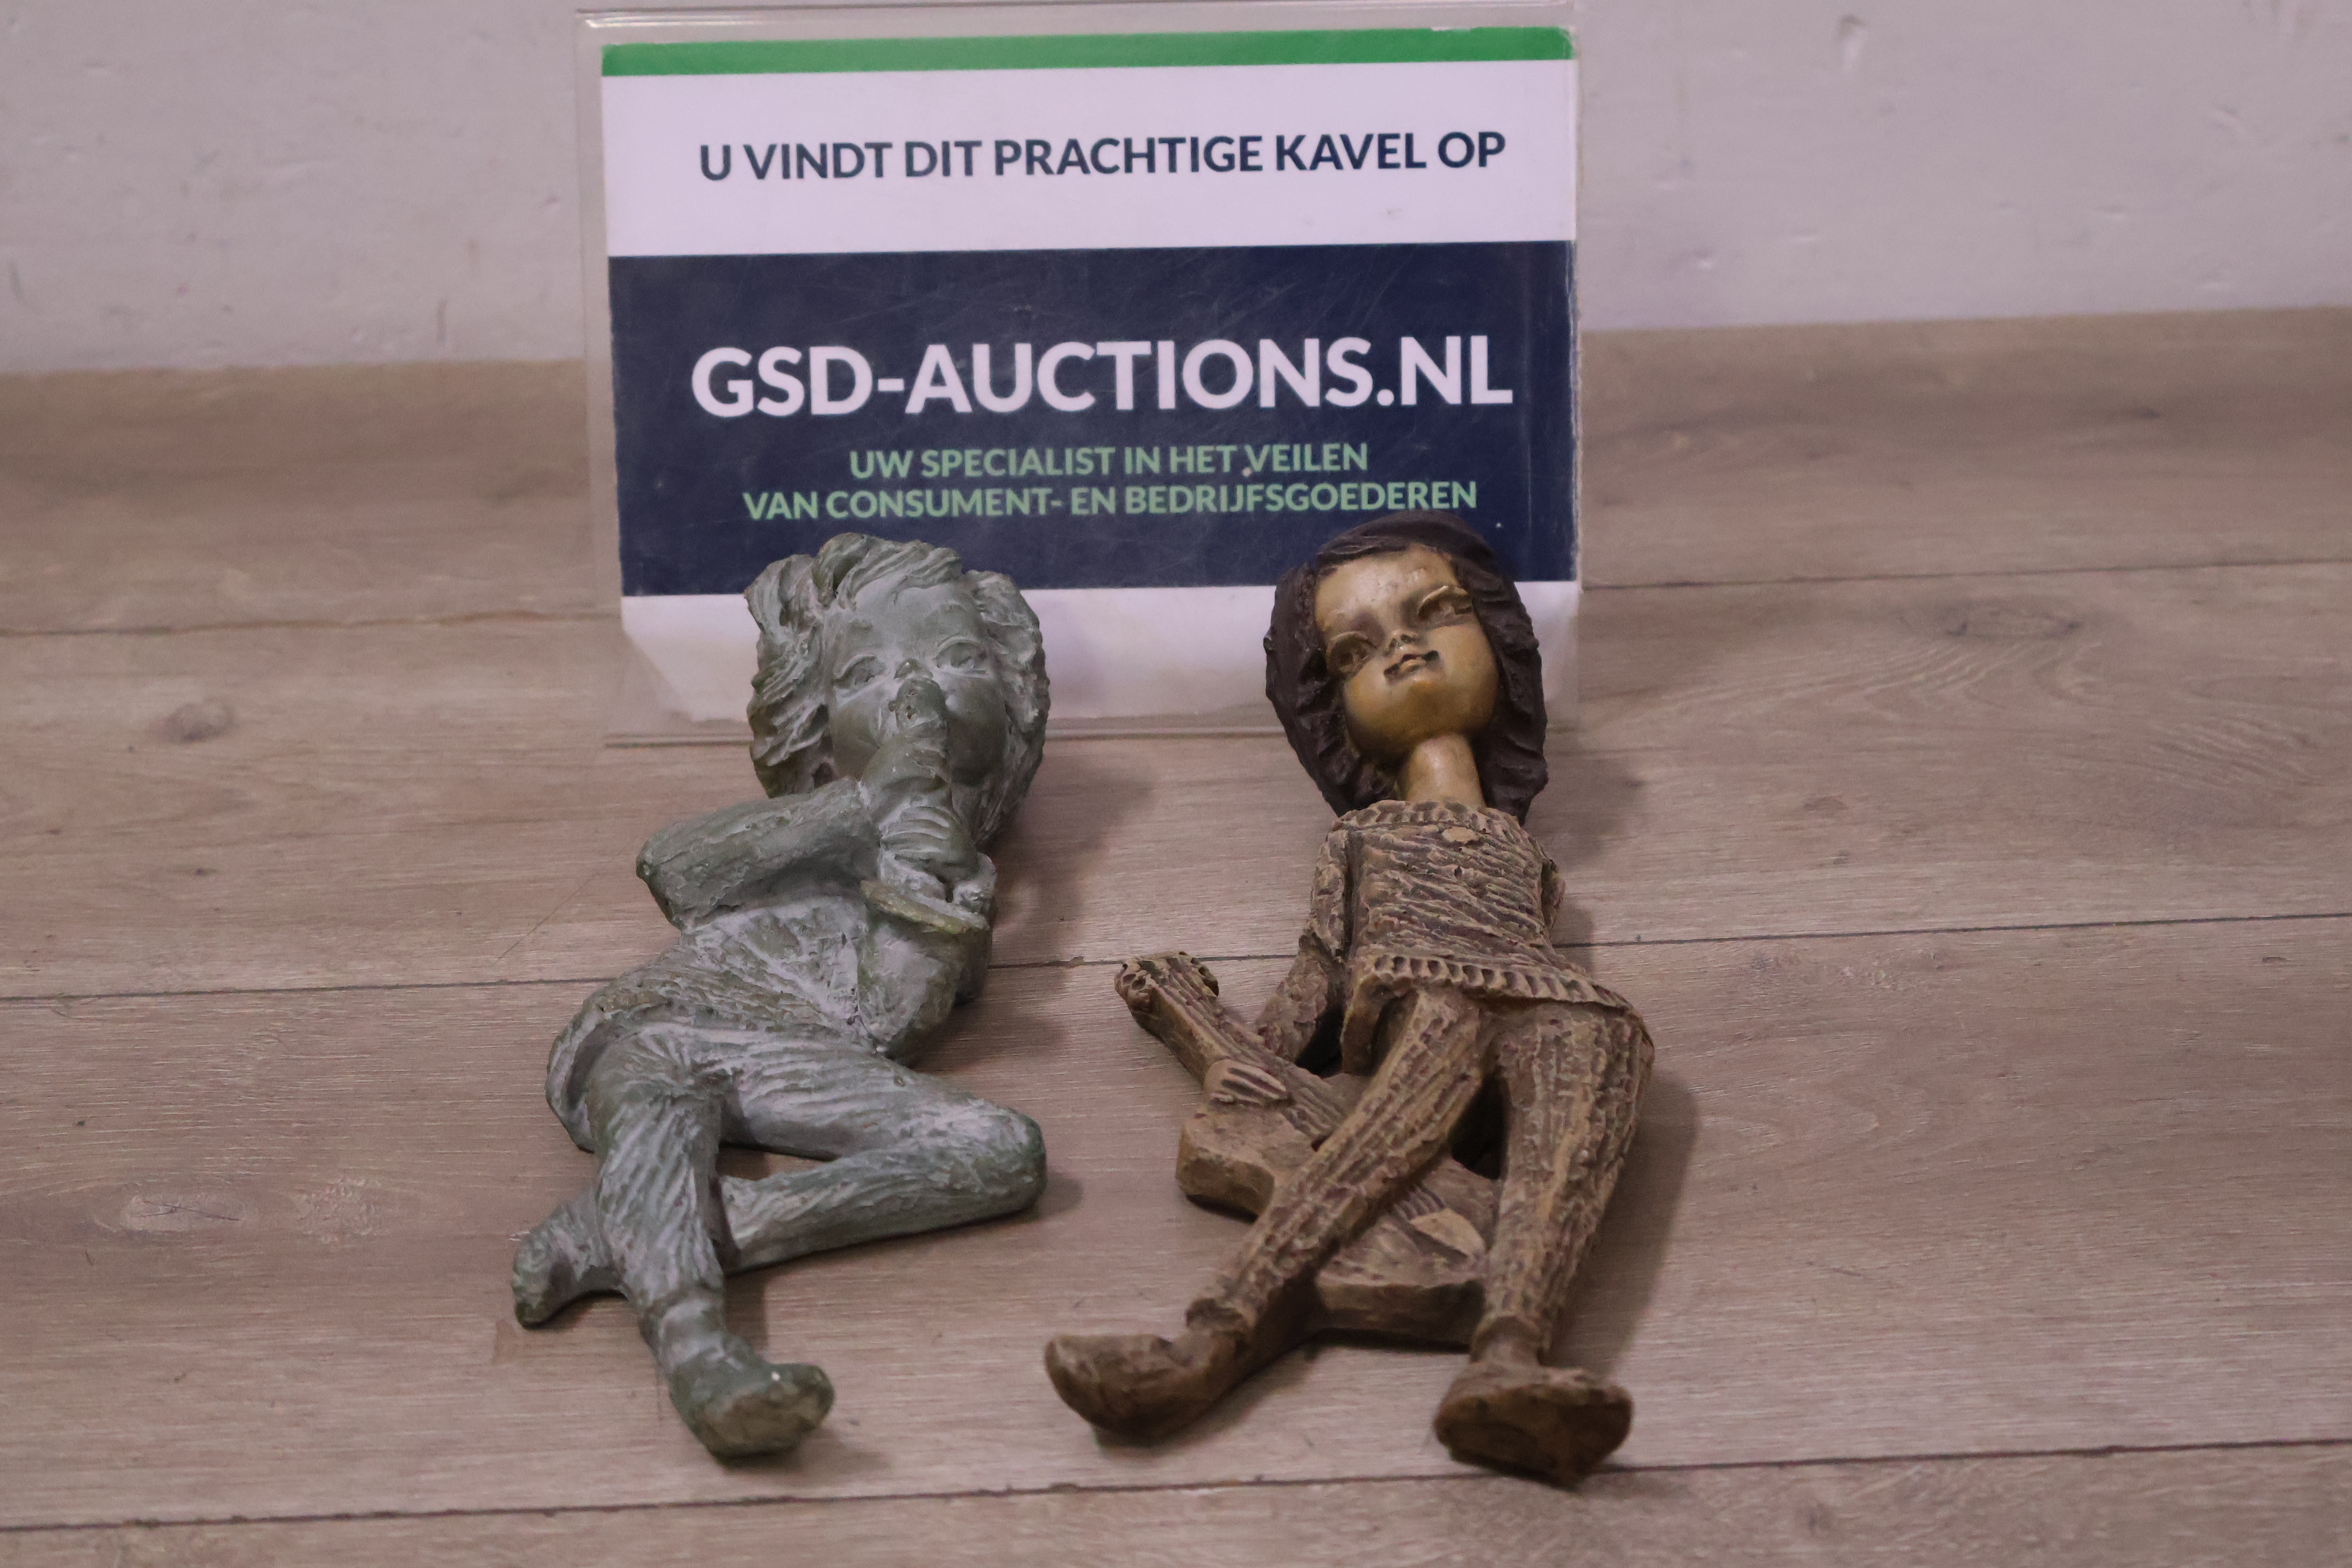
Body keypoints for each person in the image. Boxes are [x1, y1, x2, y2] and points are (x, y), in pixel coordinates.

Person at [1045, 512, 1653, 1485]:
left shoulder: (1525, 853)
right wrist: (1218, 1037)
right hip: (1428, 997)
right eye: (1355, 651)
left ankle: (1511, 1354)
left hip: (1568, 1005)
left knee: (1570, 1146)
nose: (1404, 648)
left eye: (1435, 611)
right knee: (1362, 1160)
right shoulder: (1359, 838)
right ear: (1331, 710)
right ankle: (1213, 1337)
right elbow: (1319, 971)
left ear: (1498, 637)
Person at [513, 533, 1050, 1458]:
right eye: (867, 674)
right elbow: (676, 865)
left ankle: (641, 1223)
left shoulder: (951, 867)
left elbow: (881, 1019)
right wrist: (864, 805)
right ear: (817, 722)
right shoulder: (825, 815)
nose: (915, 692)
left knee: (999, 1149)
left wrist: (937, 903)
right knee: (661, 1087)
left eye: (957, 658)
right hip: (664, 1027)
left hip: (802, 1055)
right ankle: (699, 1353)